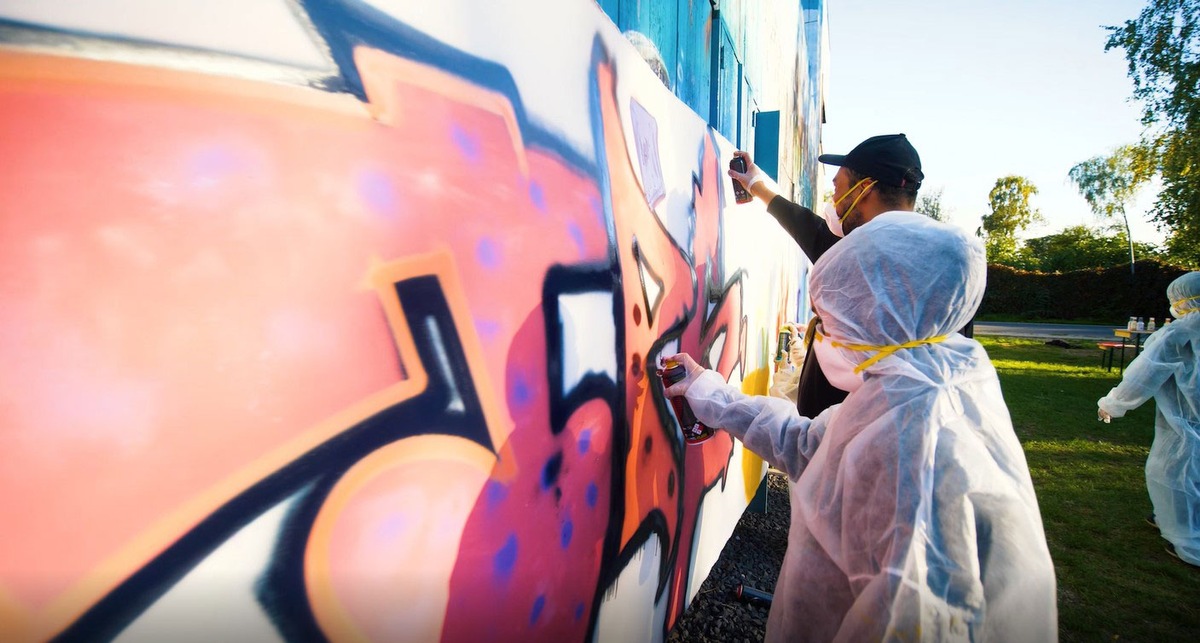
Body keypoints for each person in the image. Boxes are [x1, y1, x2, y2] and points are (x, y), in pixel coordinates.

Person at [663, 213, 1057, 641]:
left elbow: (920, 620)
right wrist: (710, 393)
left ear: (877, 314)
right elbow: (810, 446)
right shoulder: (922, 383)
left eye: (829, 320)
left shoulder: (919, 446)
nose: (821, 336)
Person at [729, 134, 974, 419]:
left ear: (864, 189)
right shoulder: (944, 266)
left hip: (858, 446)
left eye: (837, 186)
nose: (833, 199)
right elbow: (805, 225)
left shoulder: (864, 261)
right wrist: (756, 185)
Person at [1097, 271, 1200, 566]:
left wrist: (1112, 405)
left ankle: (1188, 541)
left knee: (1173, 474)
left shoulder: (1177, 334)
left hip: (1186, 422)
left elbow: (1145, 374)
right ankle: (1173, 517)